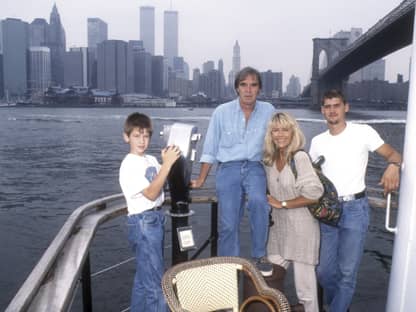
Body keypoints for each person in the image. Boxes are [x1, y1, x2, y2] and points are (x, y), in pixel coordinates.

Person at [309, 89, 401, 312]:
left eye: (336, 105)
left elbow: (394, 155)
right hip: (328, 211)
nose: (332, 110)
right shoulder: (317, 142)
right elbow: (311, 179)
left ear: (345, 107)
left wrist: (393, 167)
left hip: (355, 209)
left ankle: (338, 307)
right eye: (328, 107)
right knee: (324, 272)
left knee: (347, 274)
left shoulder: (363, 132)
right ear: (322, 111)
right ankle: (341, 305)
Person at [190, 67, 275, 274]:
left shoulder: (269, 110)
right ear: (236, 88)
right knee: (228, 221)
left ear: (259, 89)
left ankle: (258, 256)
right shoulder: (221, 112)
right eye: (243, 85)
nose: (248, 90)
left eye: (253, 85)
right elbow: (210, 148)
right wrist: (201, 179)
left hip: (255, 167)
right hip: (228, 168)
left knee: (259, 203)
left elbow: (278, 143)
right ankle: (230, 263)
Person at [119, 112, 180, 312]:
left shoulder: (151, 160)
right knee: (156, 285)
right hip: (143, 223)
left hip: (155, 219)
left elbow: (162, 180)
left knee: (143, 280)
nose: (142, 141)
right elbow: (153, 193)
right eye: (137, 136)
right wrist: (168, 164)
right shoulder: (129, 164)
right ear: (126, 137)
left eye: (146, 136)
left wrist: (167, 162)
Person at [263, 112, 324, 312]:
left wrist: (282, 203)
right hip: (278, 231)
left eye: (285, 129)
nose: (280, 135)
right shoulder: (271, 159)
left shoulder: (299, 157)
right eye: (275, 130)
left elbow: (315, 193)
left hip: (302, 230)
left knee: (305, 292)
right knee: (267, 279)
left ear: (293, 132)